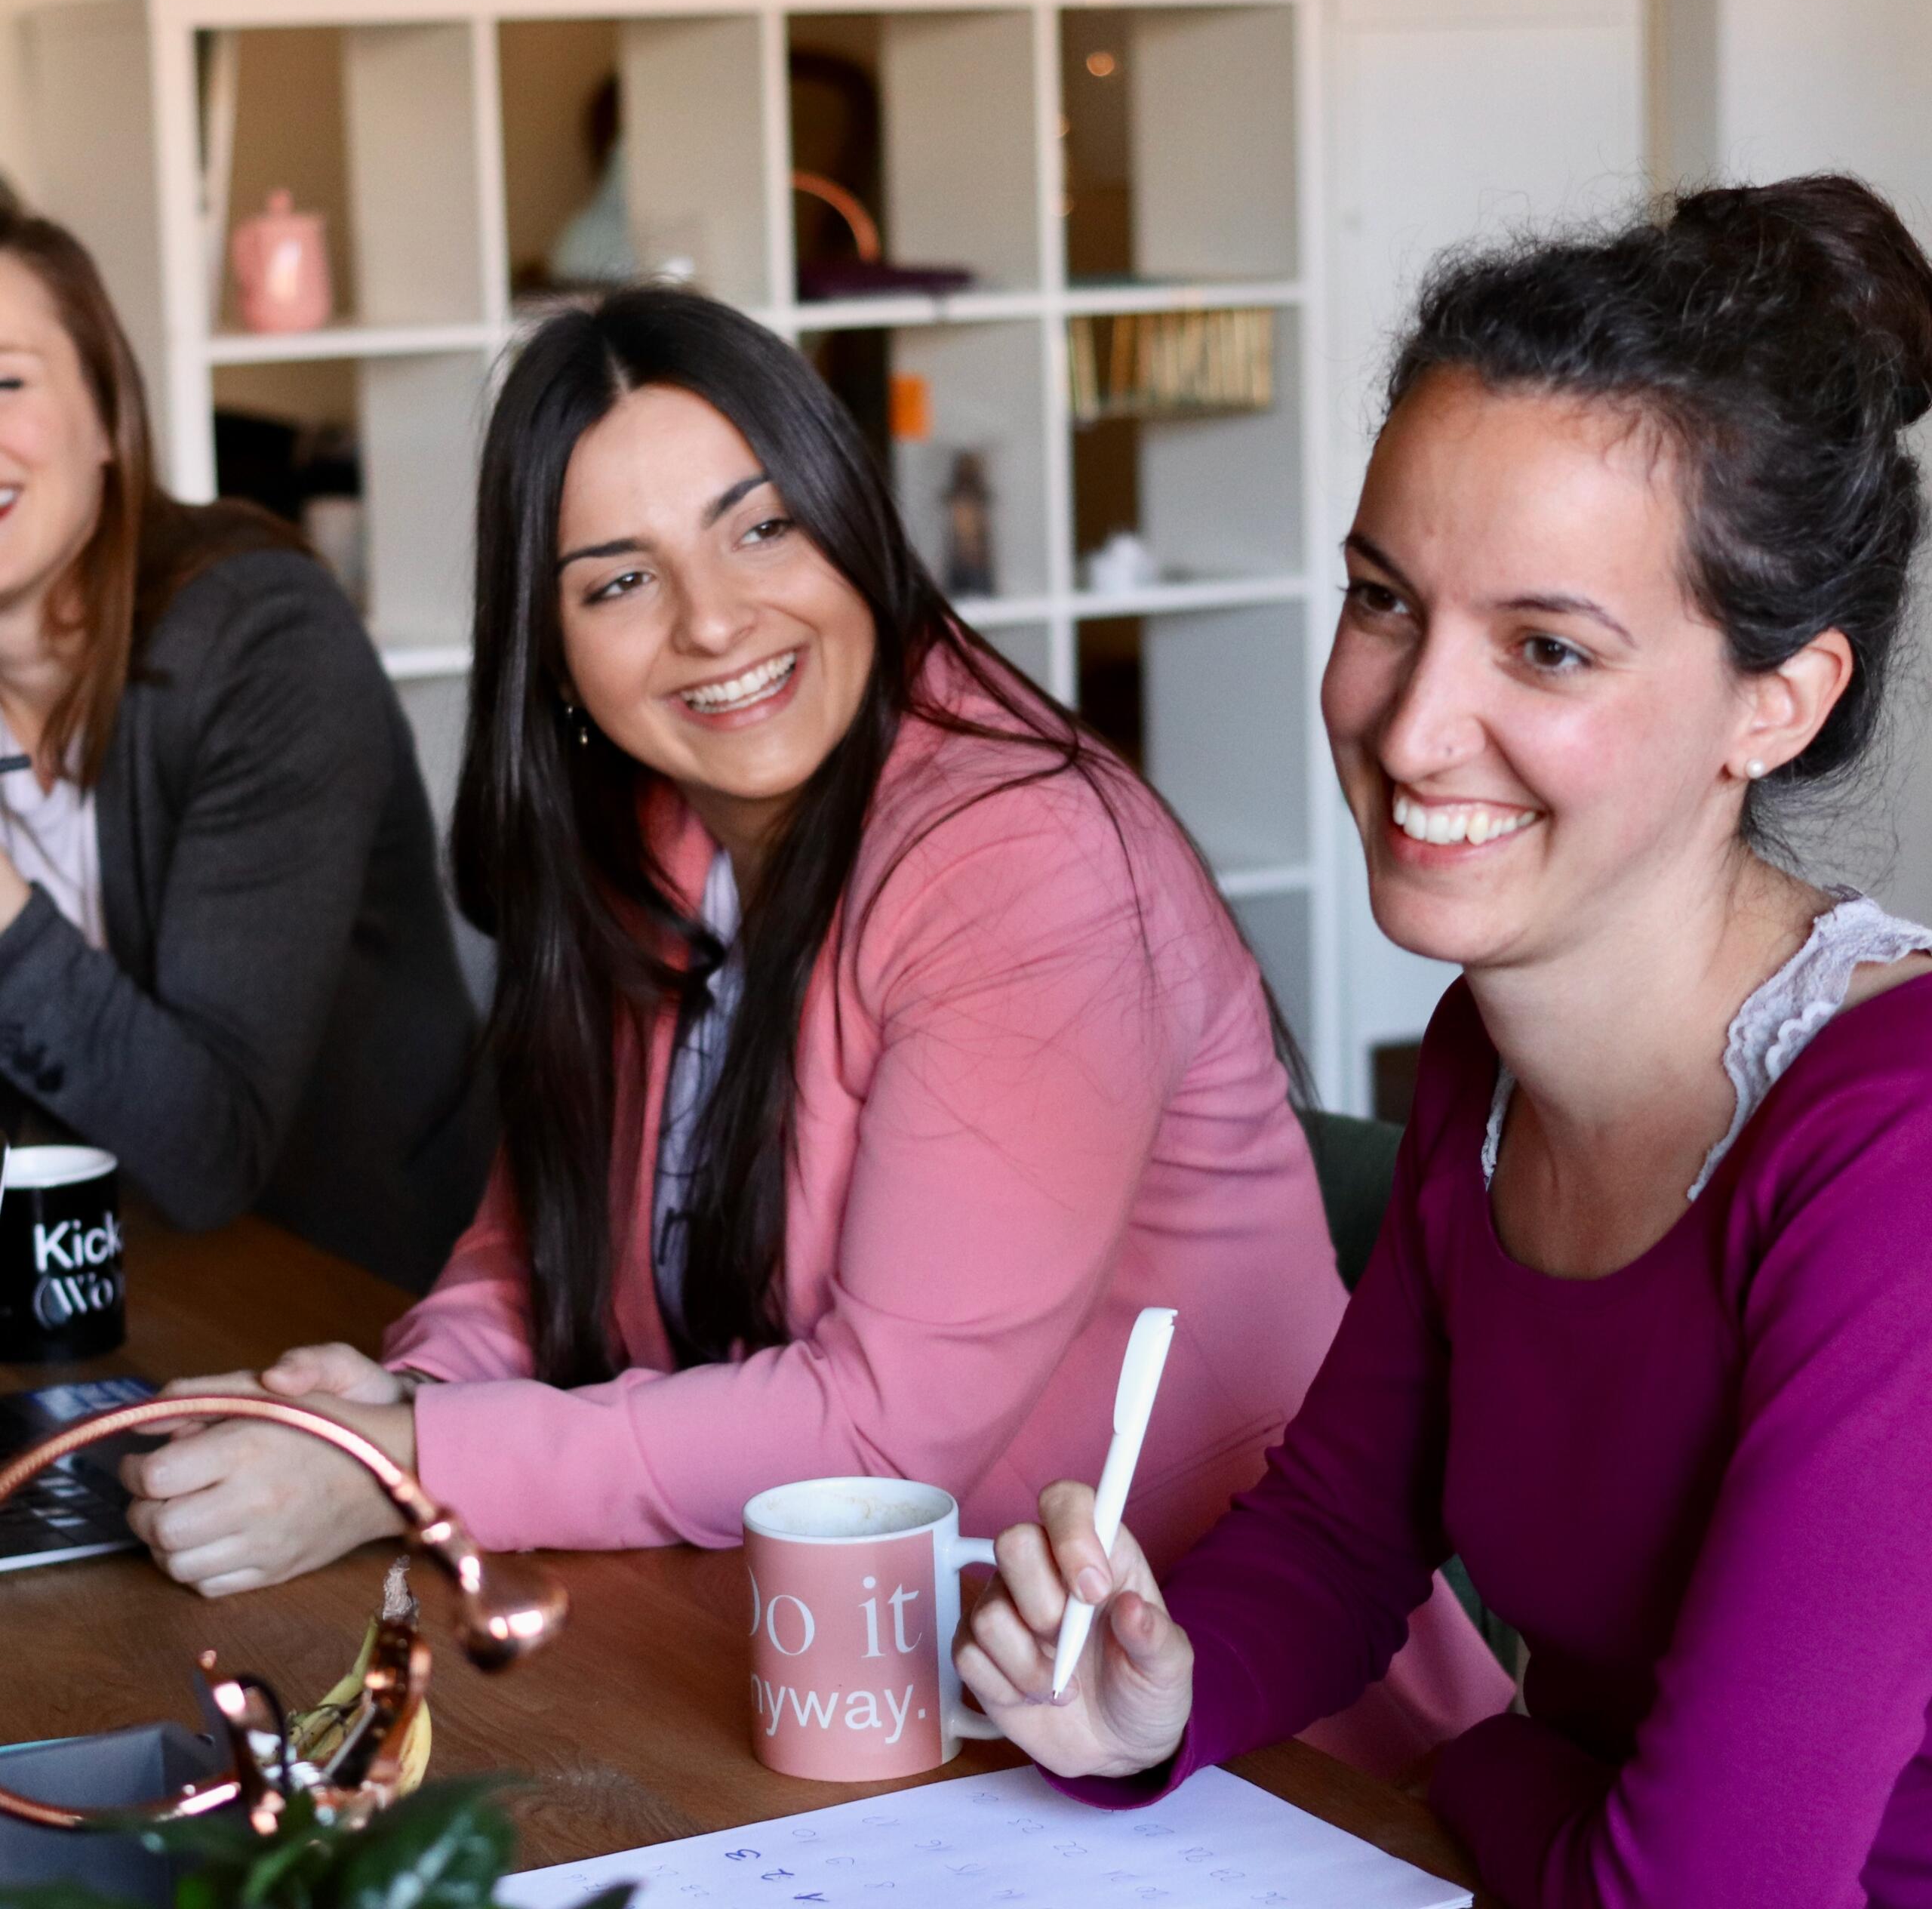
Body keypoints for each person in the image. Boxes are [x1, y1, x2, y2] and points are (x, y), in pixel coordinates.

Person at [121, 285, 1511, 1775]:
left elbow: (884, 1431)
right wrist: (397, 1396)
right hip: (847, 1695)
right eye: (615, 581)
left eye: (760, 524)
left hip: (1218, 1734)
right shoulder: (648, 838)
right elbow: (536, 1247)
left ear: (851, 520)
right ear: (553, 651)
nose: (714, 617)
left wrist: (410, 1466)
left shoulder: (1018, 855)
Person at [956, 175, 1932, 1907]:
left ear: (1775, 705)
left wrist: (1484, 1761)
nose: (1410, 726)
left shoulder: (1892, 1155)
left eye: (1544, 646)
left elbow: (1702, 1890)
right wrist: (1147, 1697)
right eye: (1384, 599)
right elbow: (1339, 1535)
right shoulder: (1486, 1054)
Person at [0, 201, 490, 1288]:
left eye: (6, 381)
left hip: (361, 1312)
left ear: (110, 419)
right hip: (91, 1297)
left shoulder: (265, 645)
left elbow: (207, 1150)